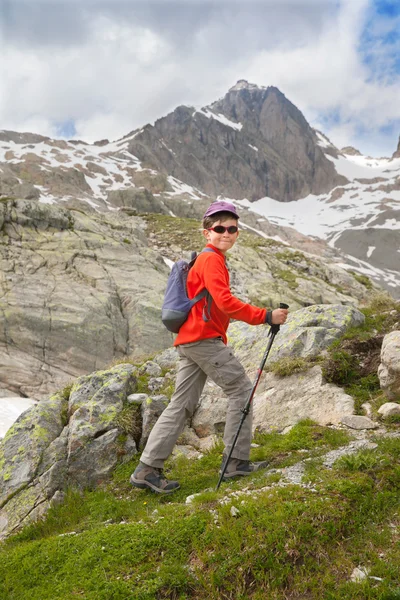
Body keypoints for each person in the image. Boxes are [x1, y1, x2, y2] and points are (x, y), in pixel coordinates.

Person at [130, 200, 288, 494]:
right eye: (219, 228)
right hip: (203, 340)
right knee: (241, 390)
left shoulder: (207, 259)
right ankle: (236, 463)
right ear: (207, 232)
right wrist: (266, 316)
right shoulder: (211, 259)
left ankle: (147, 469)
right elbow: (226, 303)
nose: (226, 233)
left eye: (232, 228)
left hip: (190, 341)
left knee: (181, 404)